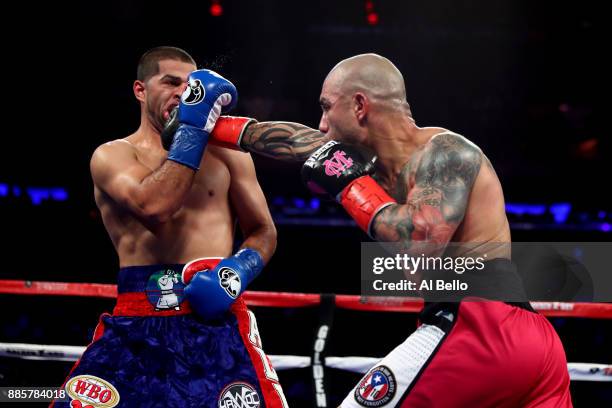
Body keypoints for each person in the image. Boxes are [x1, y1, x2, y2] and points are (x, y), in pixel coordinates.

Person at [193, 53, 572, 407]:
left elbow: (420, 243)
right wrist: (203, 126)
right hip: (529, 346)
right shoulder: (369, 163)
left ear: (359, 106)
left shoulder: (446, 152)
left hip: (483, 326)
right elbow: (297, 142)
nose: (321, 123)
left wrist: (349, 187)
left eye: (326, 107)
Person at [53, 46, 287, 408]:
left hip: (214, 323)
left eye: (192, 86)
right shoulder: (112, 155)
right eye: (171, 82)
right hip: (135, 326)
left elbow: (264, 232)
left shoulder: (229, 155)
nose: (184, 93)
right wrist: (192, 130)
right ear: (140, 90)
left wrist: (236, 272)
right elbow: (154, 206)